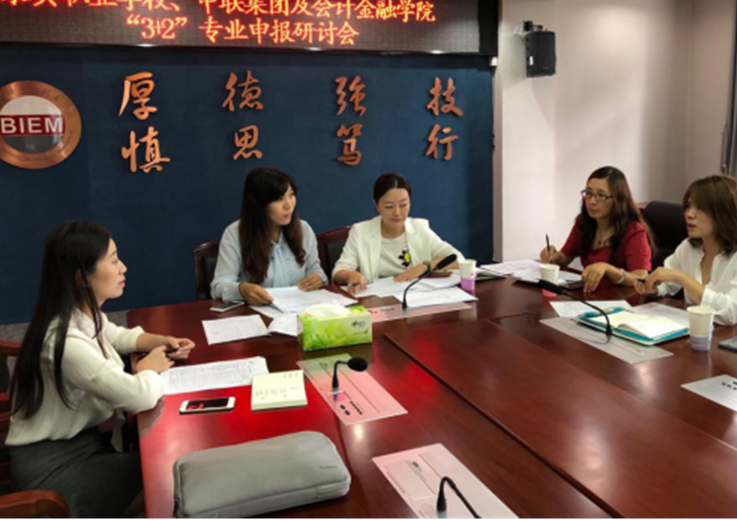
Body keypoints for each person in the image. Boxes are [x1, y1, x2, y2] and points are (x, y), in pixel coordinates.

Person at [7, 222, 195, 519]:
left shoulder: (77, 313)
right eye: (114, 260)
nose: (124, 268)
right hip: (55, 468)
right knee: (175, 473)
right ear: (82, 277)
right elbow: (138, 397)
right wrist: (148, 369)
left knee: (173, 468)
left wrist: (159, 340)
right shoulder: (65, 341)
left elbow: (115, 335)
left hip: (82, 442)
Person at [635, 175, 737, 328]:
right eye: (688, 206)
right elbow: (668, 284)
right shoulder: (689, 247)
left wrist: (683, 278)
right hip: (703, 331)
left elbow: (731, 313)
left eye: (700, 208)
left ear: (724, 212)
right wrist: (654, 289)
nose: (689, 214)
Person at [211, 167, 327, 305]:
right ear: (259, 204)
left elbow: (315, 270)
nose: (289, 205)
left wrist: (317, 278)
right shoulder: (234, 233)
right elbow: (219, 286)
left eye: (291, 195)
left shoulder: (304, 229)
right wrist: (242, 290)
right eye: (279, 199)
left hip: (299, 309)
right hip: (256, 311)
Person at [333, 172, 463, 294]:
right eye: (389, 206)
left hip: (414, 297)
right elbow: (338, 272)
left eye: (403, 205)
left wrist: (425, 266)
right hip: (378, 298)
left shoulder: (420, 228)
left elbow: (458, 259)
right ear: (377, 206)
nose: (397, 213)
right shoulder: (360, 232)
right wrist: (350, 275)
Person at [540, 166, 653, 292]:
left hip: (621, 298)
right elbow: (566, 257)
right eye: (589, 193)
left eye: (601, 195)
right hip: (589, 294)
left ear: (618, 199)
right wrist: (554, 256)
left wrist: (608, 269)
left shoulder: (634, 231)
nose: (592, 201)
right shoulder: (584, 222)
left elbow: (640, 278)